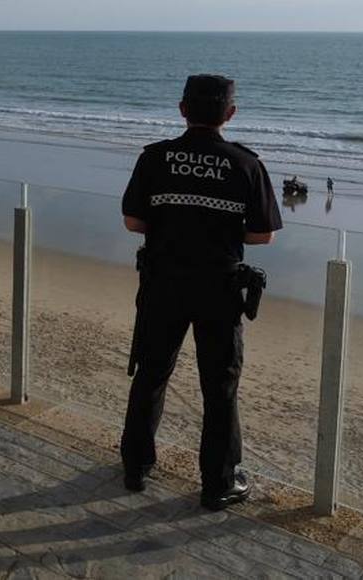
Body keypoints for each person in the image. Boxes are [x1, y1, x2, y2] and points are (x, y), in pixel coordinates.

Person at [119, 74, 283, 510]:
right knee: (220, 385)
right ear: (230, 114)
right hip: (218, 288)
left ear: (182, 109)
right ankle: (219, 482)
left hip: (162, 282)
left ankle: (135, 466)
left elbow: (133, 222)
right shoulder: (246, 164)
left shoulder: (156, 158)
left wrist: (174, 223)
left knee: (152, 373)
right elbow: (263, 234)